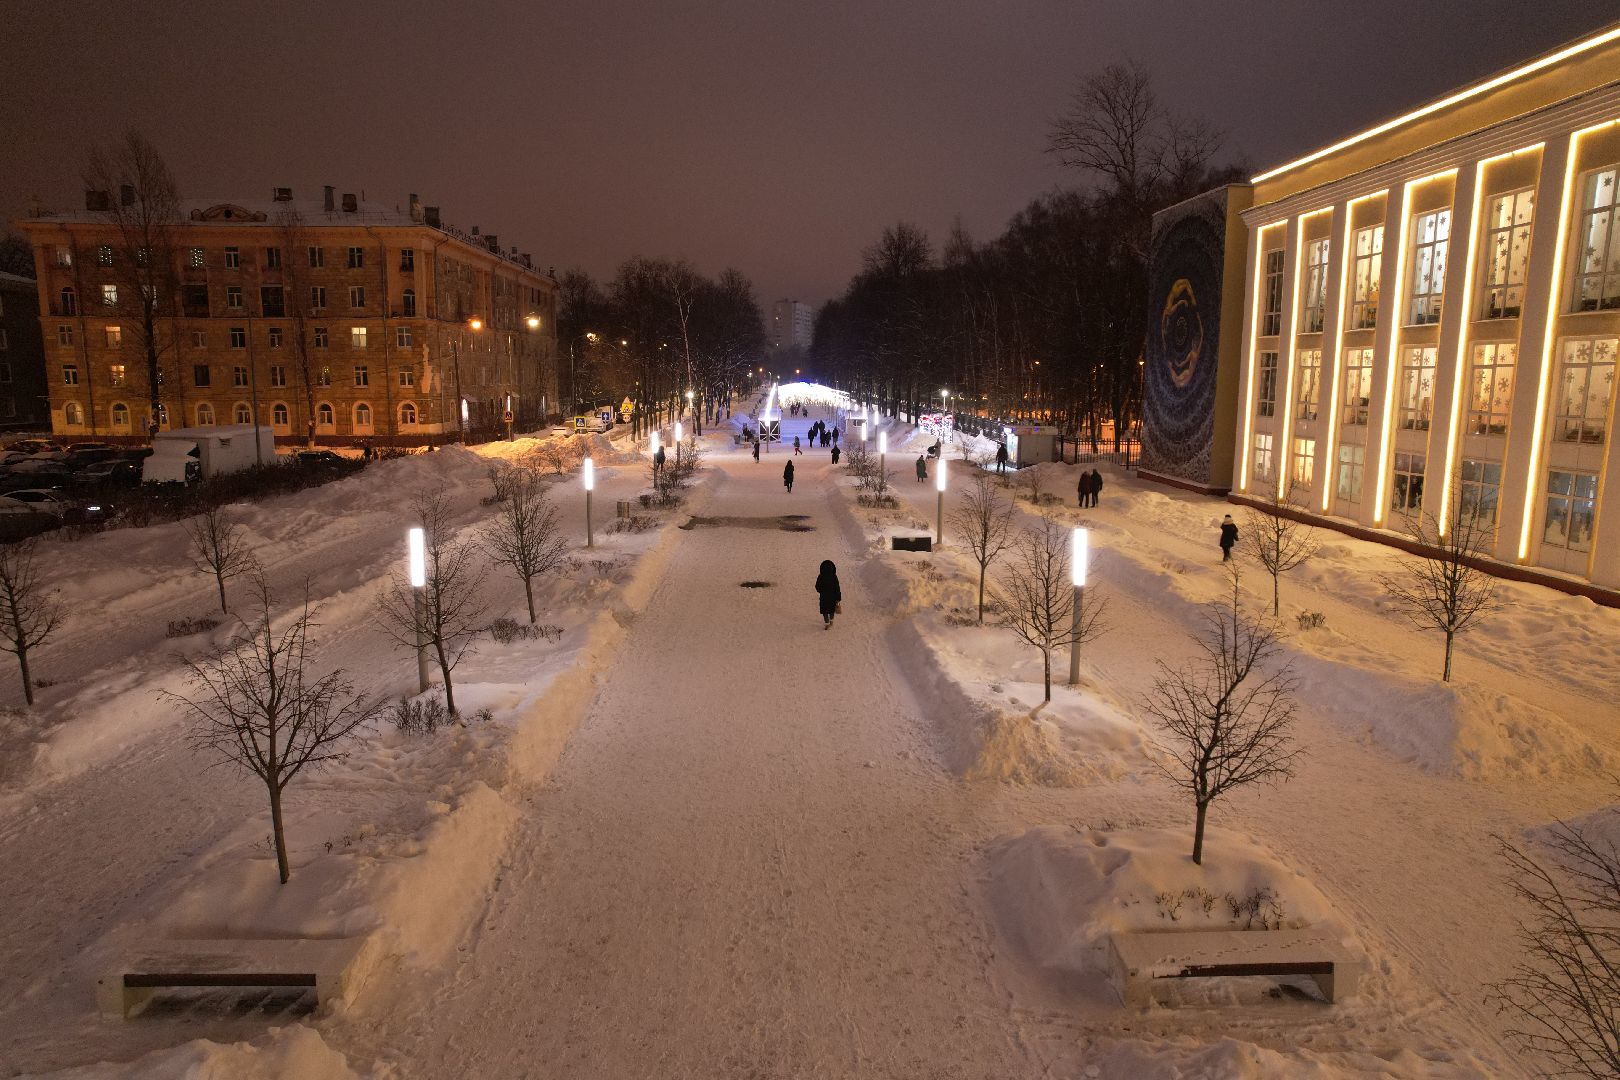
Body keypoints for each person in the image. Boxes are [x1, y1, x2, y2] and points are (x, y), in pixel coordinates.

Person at [815, 559, 842, 629]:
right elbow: (837, 587)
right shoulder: (834, 576)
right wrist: (838, 597)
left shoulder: (821, 576)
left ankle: (827, 624)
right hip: (832, 597)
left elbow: (817, 586)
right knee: (831, 610)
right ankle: (831, 621)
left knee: (825, 610)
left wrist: (821, 591)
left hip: (824, 597)